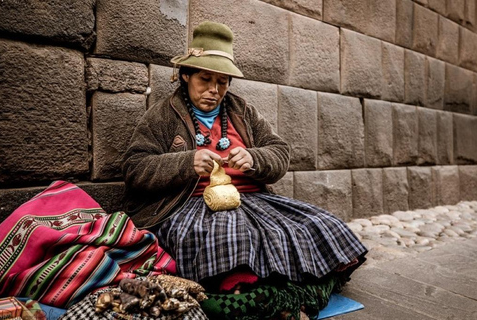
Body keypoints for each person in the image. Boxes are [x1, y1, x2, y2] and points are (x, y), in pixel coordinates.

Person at [123, 21, 367, 320]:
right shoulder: (162, 115)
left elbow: (280, 153)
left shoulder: (242, 111)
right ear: (185, 76)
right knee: (231, 233)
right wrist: (186, 163)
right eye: (205, 79)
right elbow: (135, 169)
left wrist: (254, 158)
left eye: (222, 81)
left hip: (253, 199)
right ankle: (267, 293)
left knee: (322, 225)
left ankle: (272, 291)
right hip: (190, 204)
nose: (214, 90)